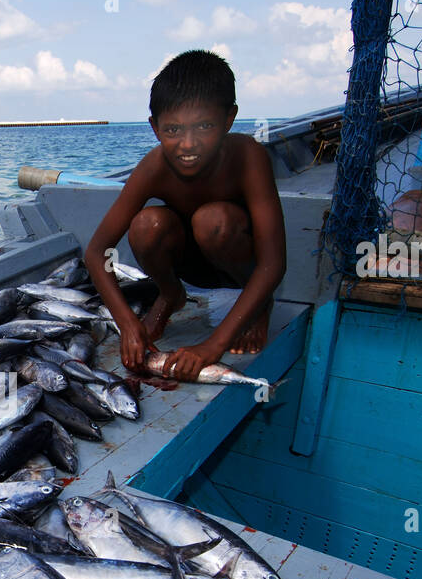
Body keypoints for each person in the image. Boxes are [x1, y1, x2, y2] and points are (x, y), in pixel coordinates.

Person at [86, 50, 286, 380]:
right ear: (154, 127)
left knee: (213, 221)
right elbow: (96, 253)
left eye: (204, 126)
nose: (187, 144)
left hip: (238, 261)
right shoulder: (154, 167)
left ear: (228, 119)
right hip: (190, 266)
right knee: (146, 224)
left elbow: (273, 263)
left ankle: (259, 306)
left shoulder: (249, 157)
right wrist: (127, 325)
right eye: (173, 129)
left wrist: (212, 346)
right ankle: (170, 294)